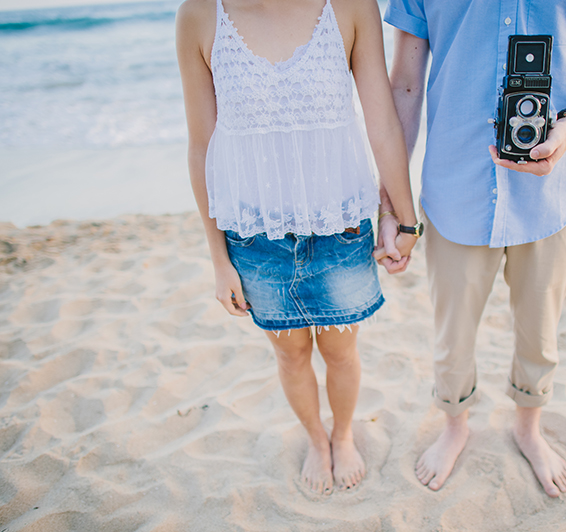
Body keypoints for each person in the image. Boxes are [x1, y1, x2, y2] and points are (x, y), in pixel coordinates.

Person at [376, 0, 566, 496]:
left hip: (555, 194)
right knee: (451, 332)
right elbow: (405, 83)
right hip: (454, 187)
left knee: (540, 331)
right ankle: (455, 426)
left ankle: (529, 425)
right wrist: (391, 202)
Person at [175, 0, 419, 494]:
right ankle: (316, 438)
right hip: (255, 237)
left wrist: (404, 218)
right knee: (290, 356)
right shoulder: (200, 15)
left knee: (341, 351)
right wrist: (218, 259)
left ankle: (344, 434)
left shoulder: (350, 7)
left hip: (341, 227)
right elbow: (202, 145)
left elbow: (383, 124)